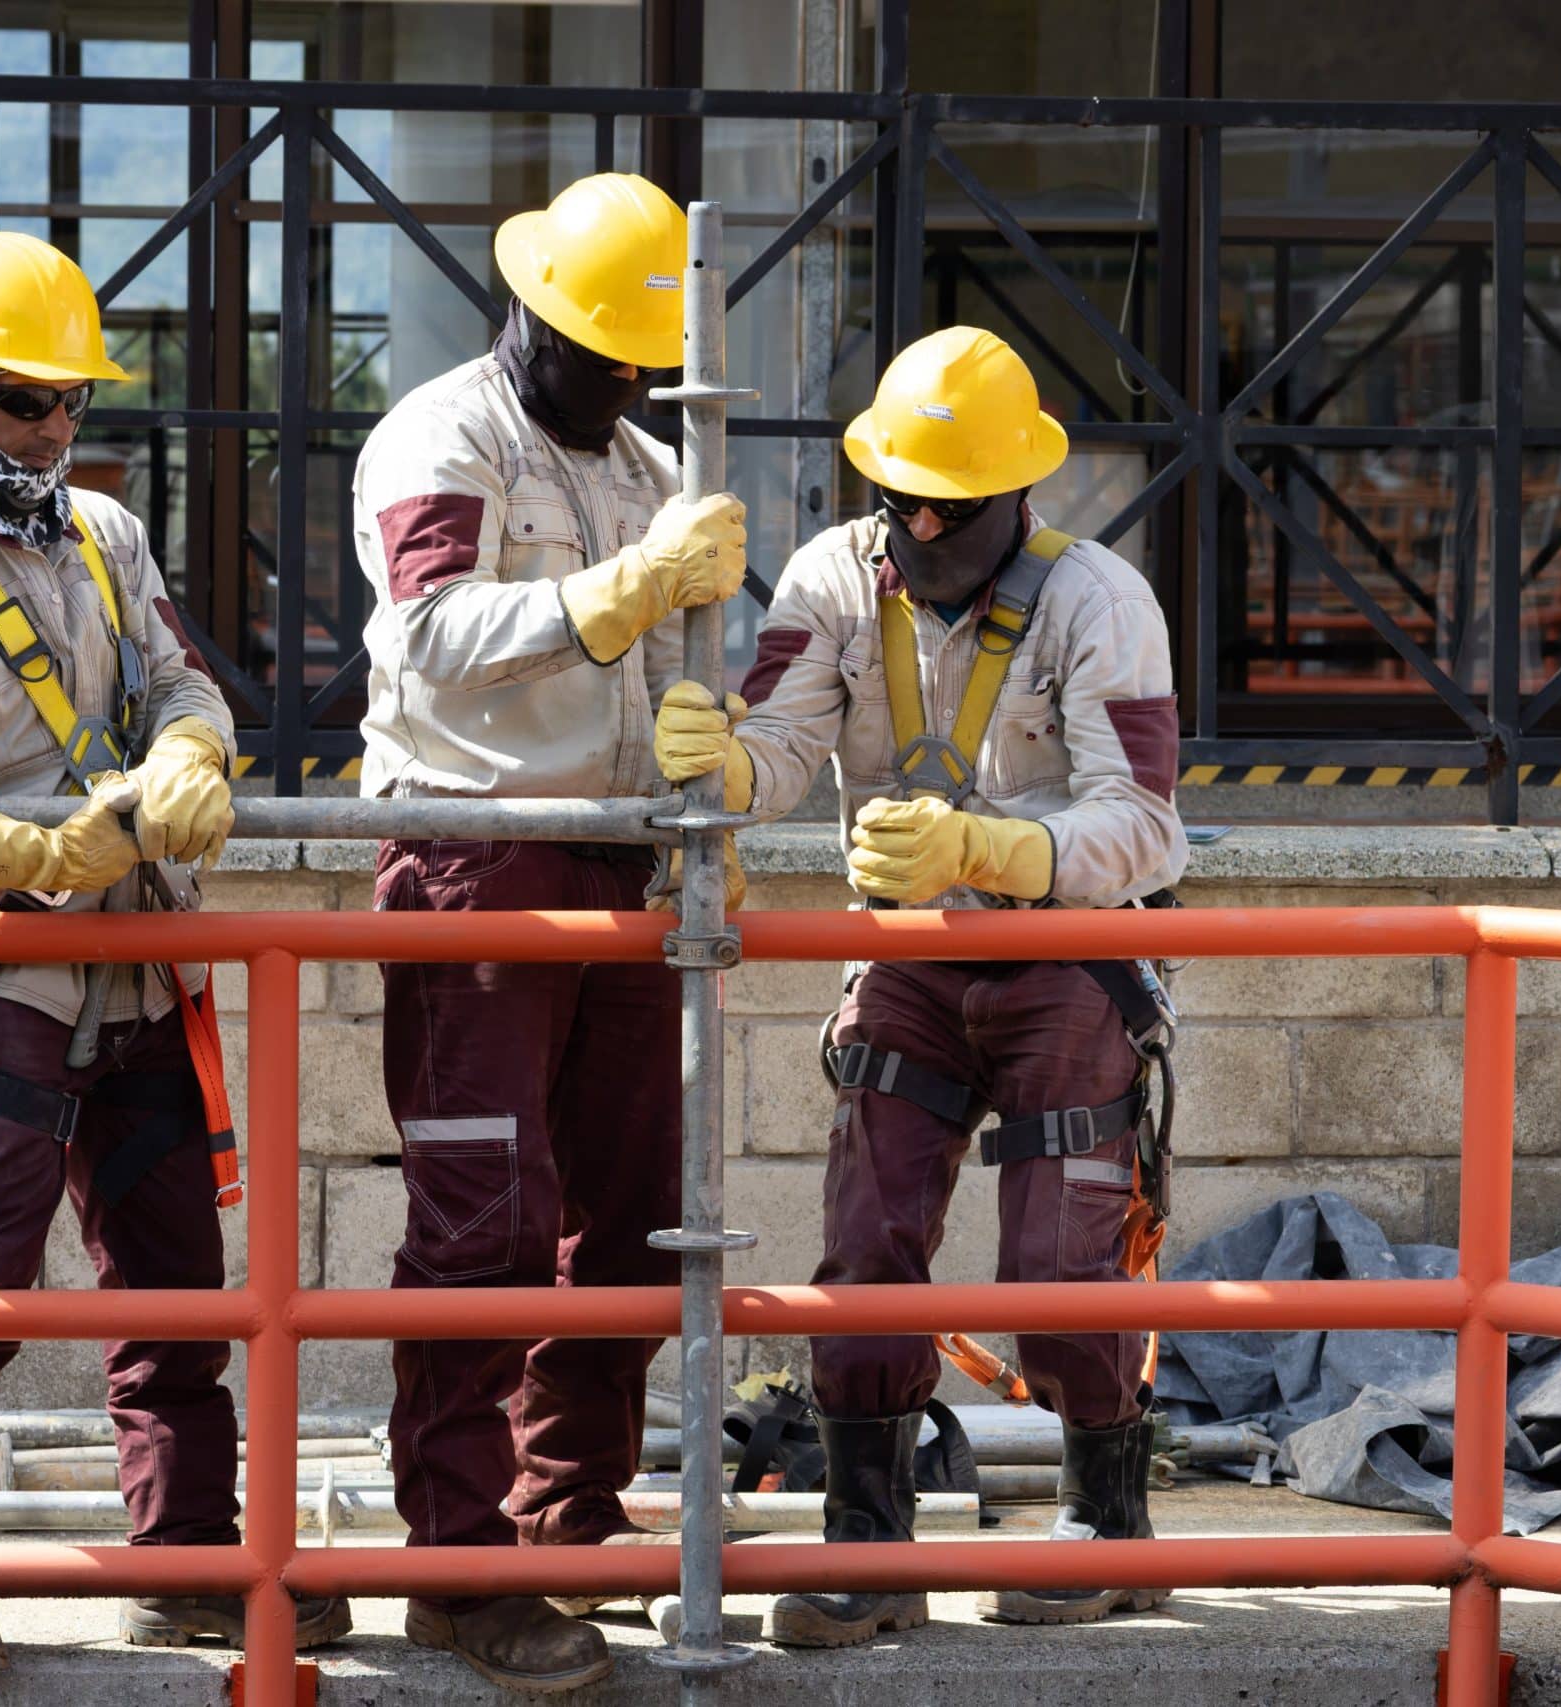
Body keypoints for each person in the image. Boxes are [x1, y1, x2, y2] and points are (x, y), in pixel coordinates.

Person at [0, 230, 342, 1681]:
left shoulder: (106, 537)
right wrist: (28, 852)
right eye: (20, 402)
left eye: (69, 406)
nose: (49, 431)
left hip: (138, 968)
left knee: (176, 1285)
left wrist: (189, 749)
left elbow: (183, 679)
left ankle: (188, 1560)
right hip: (7, 988)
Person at [654, 325, 1188, 1648]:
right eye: (895, 494)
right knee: (869, 1247)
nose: (913, 524)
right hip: (906, 960)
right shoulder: (837, 580)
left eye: (943, 506)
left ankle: (1108, 1530)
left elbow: (1147, 827)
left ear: (1017, 497)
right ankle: (867, 1546)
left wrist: (999, 850)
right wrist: (726, 766)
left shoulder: (1100, 602)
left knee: (1058, 1262)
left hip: (1069, 956)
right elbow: (784, 743)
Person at [343, 171, 748, 1695]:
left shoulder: (649, 460)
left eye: (642, 359)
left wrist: (724, 753)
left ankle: (565, 1519)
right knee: (482, 1223)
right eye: (599, 350)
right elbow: (430, 637)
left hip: (618, 864)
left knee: (633, 1212)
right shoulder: (443, 437)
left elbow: (684, 675)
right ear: (528, 314)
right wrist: (621, 594)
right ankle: (455, 1570)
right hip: (474, 858)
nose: (623, 380)